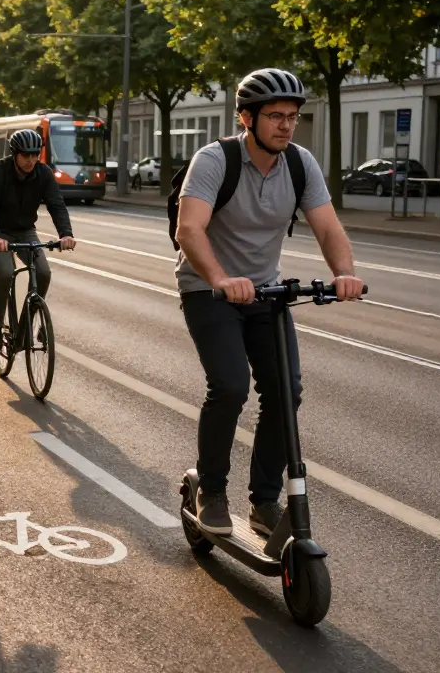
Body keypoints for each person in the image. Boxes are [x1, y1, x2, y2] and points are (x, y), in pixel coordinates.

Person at [173, 68, 365, 538]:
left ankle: (264, 501)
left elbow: (327, 227)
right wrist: (220, 278)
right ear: (247, 118)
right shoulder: (214, 160)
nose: (286, 125)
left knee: (285, 391)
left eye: (292, 116)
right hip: (208, 288)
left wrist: (344, 272)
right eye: (275, 116)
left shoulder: (300, 164)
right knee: (230, 386)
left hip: (264, 291)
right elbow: (189, 229)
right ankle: (212, 490)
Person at [0, 129, 76, 351]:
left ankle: (27, 325)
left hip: (25, 231)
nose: (31, 160)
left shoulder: (44, 173)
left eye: (35, 155)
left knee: (43, 272)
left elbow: (56, 205)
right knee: (5, 273)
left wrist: (66, 234)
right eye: (25, 155)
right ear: (15, 154)